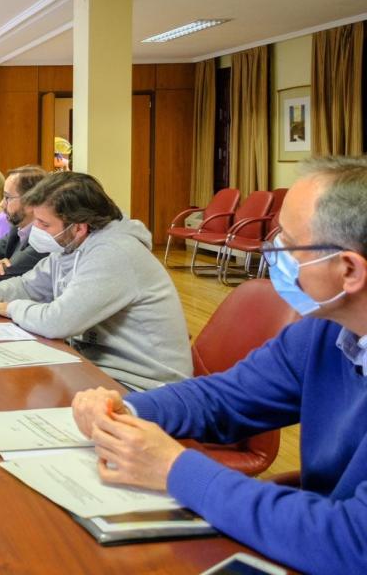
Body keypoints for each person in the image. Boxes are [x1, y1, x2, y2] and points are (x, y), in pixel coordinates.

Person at [70, 156, 367, 574]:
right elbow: (227, 396)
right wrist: (126, 410)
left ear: (349, 270)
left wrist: (174, 469)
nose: (271, 252)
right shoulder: (323, 329)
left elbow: (353, 544)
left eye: (288, 243)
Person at [0, 171, 191, 390]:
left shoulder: (113, 252)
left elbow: (58, 321)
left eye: (44, 224)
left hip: (140, 388)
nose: (36, 229)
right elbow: (27, 285)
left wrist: (11, 308)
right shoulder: (69, 246)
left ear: (78, 228)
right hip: (94, 369)